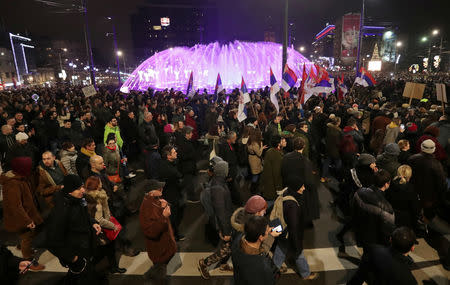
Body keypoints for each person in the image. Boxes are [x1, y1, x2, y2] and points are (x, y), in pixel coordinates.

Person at [44, 175, 103, 284]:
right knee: (80, 277)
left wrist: (93, 223)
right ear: (69, 191)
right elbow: (52, 241)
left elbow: (85, 214)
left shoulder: (77, 199)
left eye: (81, 186)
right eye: (78, 188)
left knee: (85, 273)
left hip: (84, 247)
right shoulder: (61, 211)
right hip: (75, 252)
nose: (83, 190)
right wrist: (73, 258)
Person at [1, 157, 45, 271]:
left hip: (26, 214)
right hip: (21, 218)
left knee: (28, 236)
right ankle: (29, 261)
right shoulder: (13, 184)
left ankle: (22, 246)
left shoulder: (20, 178)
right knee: (27, 238)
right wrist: (28, 221)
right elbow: (16, 206)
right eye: (28, 167)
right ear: (22, 169)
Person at [272, 175, 318, 280]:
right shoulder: (292, 205)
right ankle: (306, 274)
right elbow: (294, 227)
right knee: (298, 254)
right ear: (296, 187)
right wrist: (297, 244)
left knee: (281, 249)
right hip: (290, 234)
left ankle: (273, 269)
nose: (304, 188)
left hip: (282, 230)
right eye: (301, 186)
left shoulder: (286, 192)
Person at [198, 158, 233, 279]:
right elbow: (220, 212)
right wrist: (226, 231)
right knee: (226, 247)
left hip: (226, 221)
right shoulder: (218, 187)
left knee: (228, 247)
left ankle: (222, 264)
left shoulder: (219, 181)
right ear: (223, 171)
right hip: (224, 223)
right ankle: (204, 263)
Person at [84, 176, 126, 274]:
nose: (102, 183)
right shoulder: (97, 200)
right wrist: (113, 226)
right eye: (100, 182)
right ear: (97, 185)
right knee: (106, 250)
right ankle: (91, 269)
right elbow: (100, 220)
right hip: (103, 229)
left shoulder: (90, 196)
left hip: (99, 228)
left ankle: (112, 267)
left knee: (106, 250)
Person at [347, 227, 418, 285]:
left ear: (390, 239)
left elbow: (359, 276)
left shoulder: (372, 250)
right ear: (412, 248)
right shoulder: (409, 280)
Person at [139, 179, 177, 281]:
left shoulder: (154, 200)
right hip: (160, 249)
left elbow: (156, 216)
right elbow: (150, 232)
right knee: (160, 274)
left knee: (159, 269)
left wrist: (162, 206)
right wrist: (164, 216)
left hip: (163, 246)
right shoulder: (146, 206)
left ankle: (150, 276)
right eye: (158, 188)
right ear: (151, 192)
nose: (162, 188)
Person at [351, 169, 395, 249]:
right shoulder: (386, 207)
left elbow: (353, 211)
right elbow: (388, 230)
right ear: (386, 184)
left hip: (360, 233)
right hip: (376, 241)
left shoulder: (359, 192)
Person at [281, 136, 319, 224]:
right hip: (301, 190)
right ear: (304, 146)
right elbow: (309, 180)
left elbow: (283, 172)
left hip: (289, 187)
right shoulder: (305, 161)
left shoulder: (286, 157)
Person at [231, 215, 279, 285]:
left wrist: (270, 236)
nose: (269, 231)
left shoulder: (237, 241)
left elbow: (258, 248)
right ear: (260, 237)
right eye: (267, 230)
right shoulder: (262, 266)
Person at [408, 139, 447, 220]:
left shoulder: (412, 159)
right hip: (428, 197)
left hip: (413, 192)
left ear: (422, 148)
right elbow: (441, 183)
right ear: (434, 149)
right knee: (428, 217)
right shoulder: (436, 165)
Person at [159, 145, 184, 241]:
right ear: (168, 156)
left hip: (169, 193)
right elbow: (179, 177)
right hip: (172, 196)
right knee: (173, 217)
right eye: (174, 152)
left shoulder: (163, 164)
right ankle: (174, 235)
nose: (176, 153)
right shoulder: (171, 170)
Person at [261, 135, 286, 202]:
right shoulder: (276, 155)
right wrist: (279, 188)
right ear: (278, 144)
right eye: (281, 141)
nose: (283, 141)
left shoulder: (270, 151)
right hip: (273, 187)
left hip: (268, 183)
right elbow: (276, 172)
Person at [247, 129, 266, 194]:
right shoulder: (255, 144)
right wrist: (262, 147)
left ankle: (253, 187)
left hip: (251, 158)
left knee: (255, 174)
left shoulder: (250, 141)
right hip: (255, 160)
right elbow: (259, 153)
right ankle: (253, 189)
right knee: (255, 175)